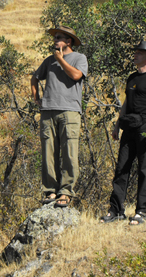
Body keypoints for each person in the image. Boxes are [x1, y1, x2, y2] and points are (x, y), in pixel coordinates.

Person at [100, 41, 146, 225]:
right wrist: (117, 125)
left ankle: (141, 211)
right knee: (121, 168)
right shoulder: (131, 78)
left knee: (145, 170)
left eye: (139, 53)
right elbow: (126, 103)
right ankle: (116, 211)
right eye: (135, 52)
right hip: (129, 125)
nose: (135, 55)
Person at [31, 26, 88, 208]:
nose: (55, 41)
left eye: (59, 38)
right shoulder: (49, 61)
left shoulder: (79, 58)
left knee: (70, 151)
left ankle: (65, 191)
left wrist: (61, 60)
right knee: (48, 152)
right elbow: (35, 77)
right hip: (48, 110)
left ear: (68, 41)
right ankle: (50, 190)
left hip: (69, 111)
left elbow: (76, 75)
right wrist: (36, 98)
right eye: (55, 37)